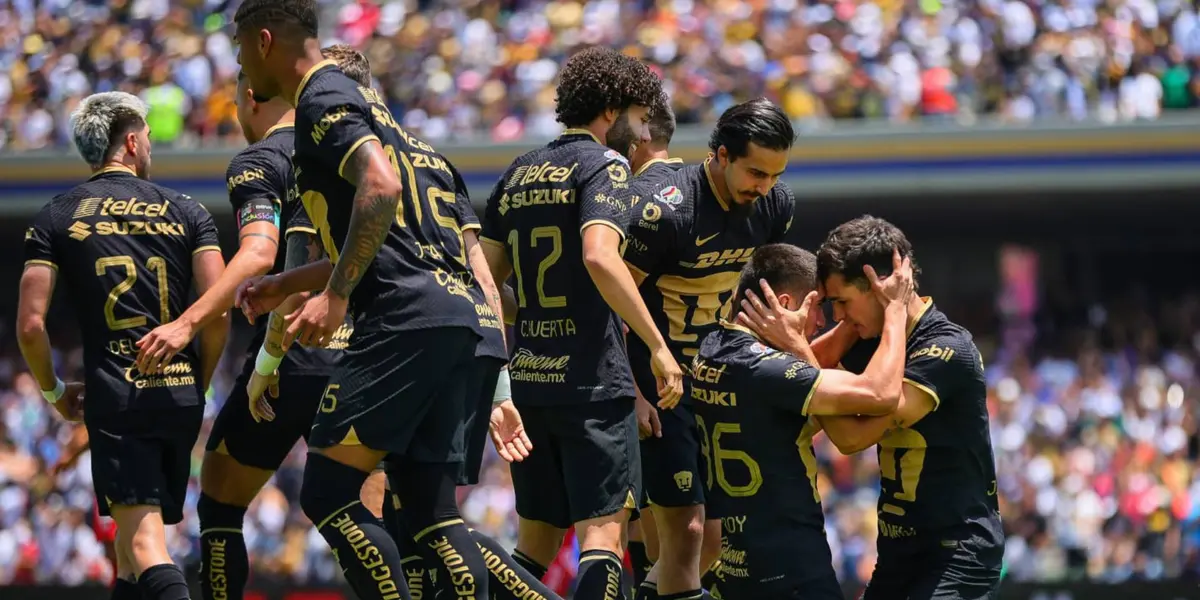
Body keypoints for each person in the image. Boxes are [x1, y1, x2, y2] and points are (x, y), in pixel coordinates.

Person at [231, 2, 506, 598]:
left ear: (263, 40)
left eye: (238, 47)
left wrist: (334, 293)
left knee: (328, 491)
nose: (235, 62)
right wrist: (288, 284)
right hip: (457, 317)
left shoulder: (319, 96)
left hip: (402, 321)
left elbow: (378, 188)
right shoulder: (402, 132)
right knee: (431, 510)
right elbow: (395, 238)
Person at [478, 45, 683, 600]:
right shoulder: (605, 165)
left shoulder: (518, 172)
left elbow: (487, 285)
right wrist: (658, 347)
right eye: (640, 119)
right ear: (612, 110)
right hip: (591, 383)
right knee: (603, 536)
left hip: (530, 383)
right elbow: (599, 256)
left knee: (537, 543)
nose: (643, 137)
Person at [18, 91, 227, 600]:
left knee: (144, 543)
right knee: (130, 559)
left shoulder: (56, 216)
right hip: (177, 396)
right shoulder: (189, 210)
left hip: (119, 401)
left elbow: (30, 326)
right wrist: (196, 382)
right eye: (150, 138)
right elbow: (217, 309)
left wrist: (52, 391)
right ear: (131, 142)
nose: (151, 147)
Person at [738, 215, 1004, 599]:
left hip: (956, 552)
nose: (837, 315)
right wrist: (851, 327)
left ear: (880, 288)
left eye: (842, 302)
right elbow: (797, 386)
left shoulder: (946, 351)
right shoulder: (873, 340)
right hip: (898, 553)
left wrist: (797, 348)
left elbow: (849, 436)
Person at [620, 98, 796, 600]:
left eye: (775, 175)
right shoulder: (668, 211)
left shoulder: (775, 206)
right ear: (720, 156)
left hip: (715, 381)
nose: (764, 187)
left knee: (694, 543)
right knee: (689, 535)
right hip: (659, 385)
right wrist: (632, 391)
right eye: (755, 172)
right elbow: (608, 302)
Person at [694, 243, 913, 599]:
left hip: (735, 568)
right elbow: (880, 393)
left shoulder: (712, 348)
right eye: (819, 306)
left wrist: (842, 326)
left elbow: (809, 361)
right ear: (785, 306)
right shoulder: (766, 370)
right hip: (791, 568)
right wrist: (894, 310)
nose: (824, 320)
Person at [623, 94, 683, 590]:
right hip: (683, 385)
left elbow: (612, 309)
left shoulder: (629, 199)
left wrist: (635, 393)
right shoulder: (699, 190)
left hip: (650, 386)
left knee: (662, 535)